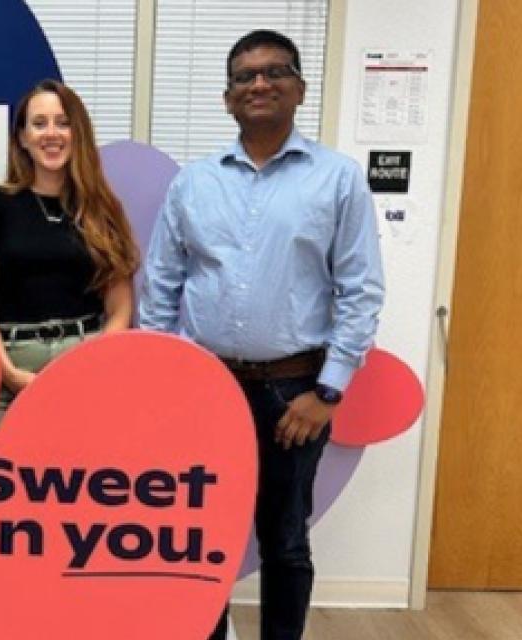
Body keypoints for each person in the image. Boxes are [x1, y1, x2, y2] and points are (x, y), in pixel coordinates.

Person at [139, 30, 384, 640]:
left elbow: (361, 290)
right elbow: (161, 290)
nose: (259, 84)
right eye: (245, 76)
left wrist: (327, 393)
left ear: (298, 89)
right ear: (228, 99)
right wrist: (165, 384)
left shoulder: (338, 180)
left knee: (284, 540)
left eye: (275, 72)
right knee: (201, 539)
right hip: (205, 389)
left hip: (294, 392)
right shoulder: (194, 184)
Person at [0, 79, 139, 429]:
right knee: (6, 478)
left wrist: (93, 367)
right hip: (8, 366)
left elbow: (119, 307)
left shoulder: (101, 208)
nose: (51, 133)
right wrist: (7, 371)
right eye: (39, 124)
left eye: (62, 122)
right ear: (23, 138)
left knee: (78, 477)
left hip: (85, 366)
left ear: (78, 133)